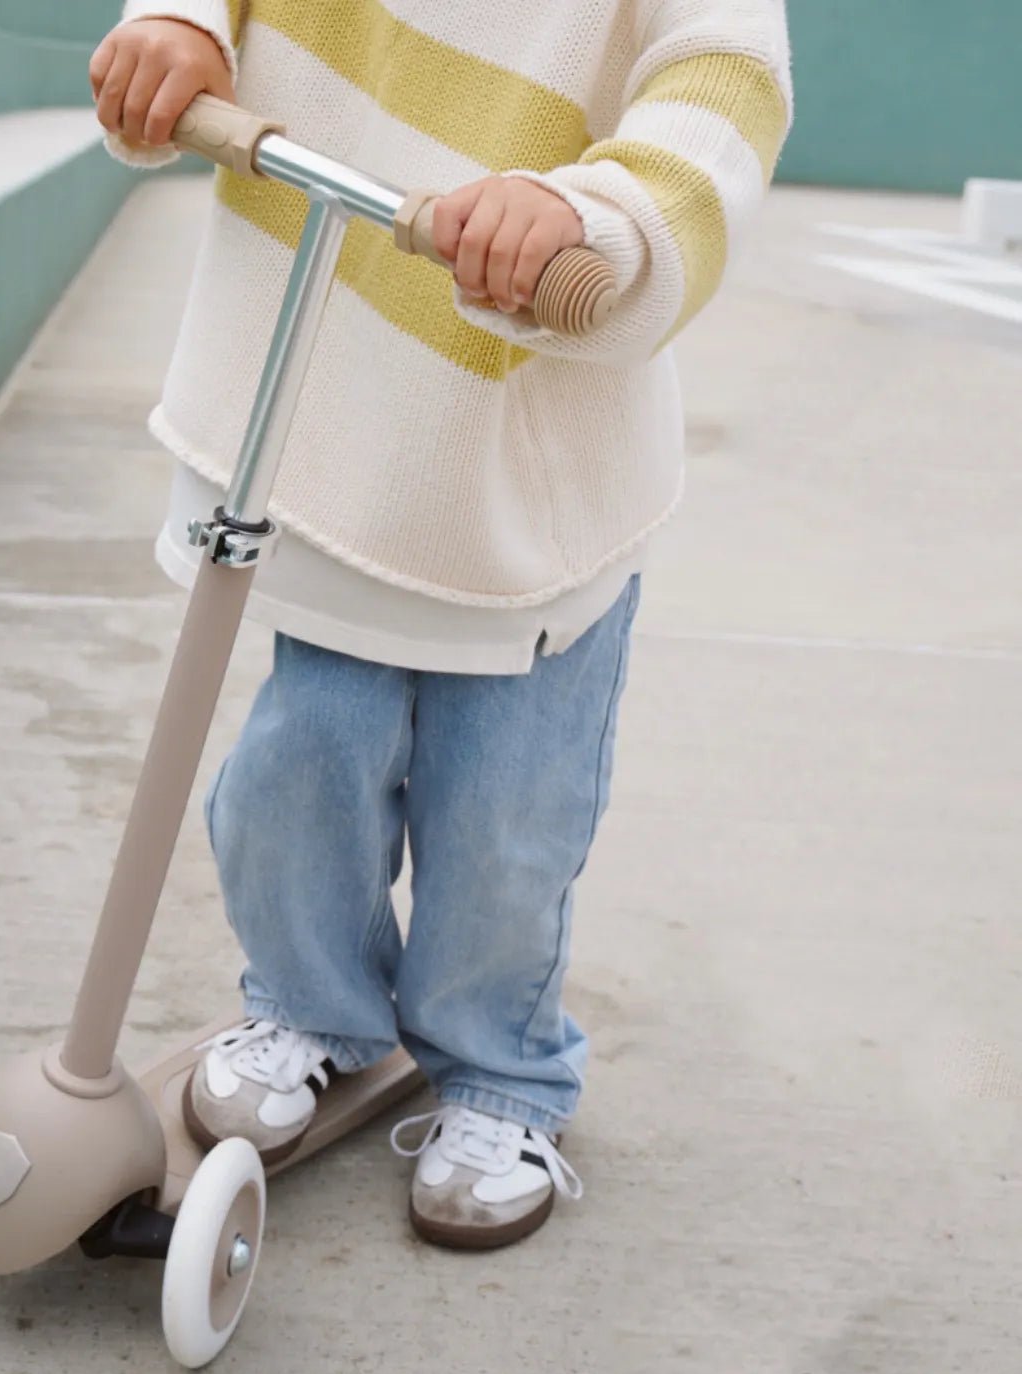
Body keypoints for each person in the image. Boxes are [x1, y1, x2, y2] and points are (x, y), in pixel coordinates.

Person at [91, 0, 791, 1249]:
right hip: (333, 403)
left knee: (502, 823)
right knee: (296, 773)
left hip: (523, 463)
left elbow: (720, 76)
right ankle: (309, 1001)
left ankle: (501, 1070)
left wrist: (598, 213)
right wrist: (181, 23)